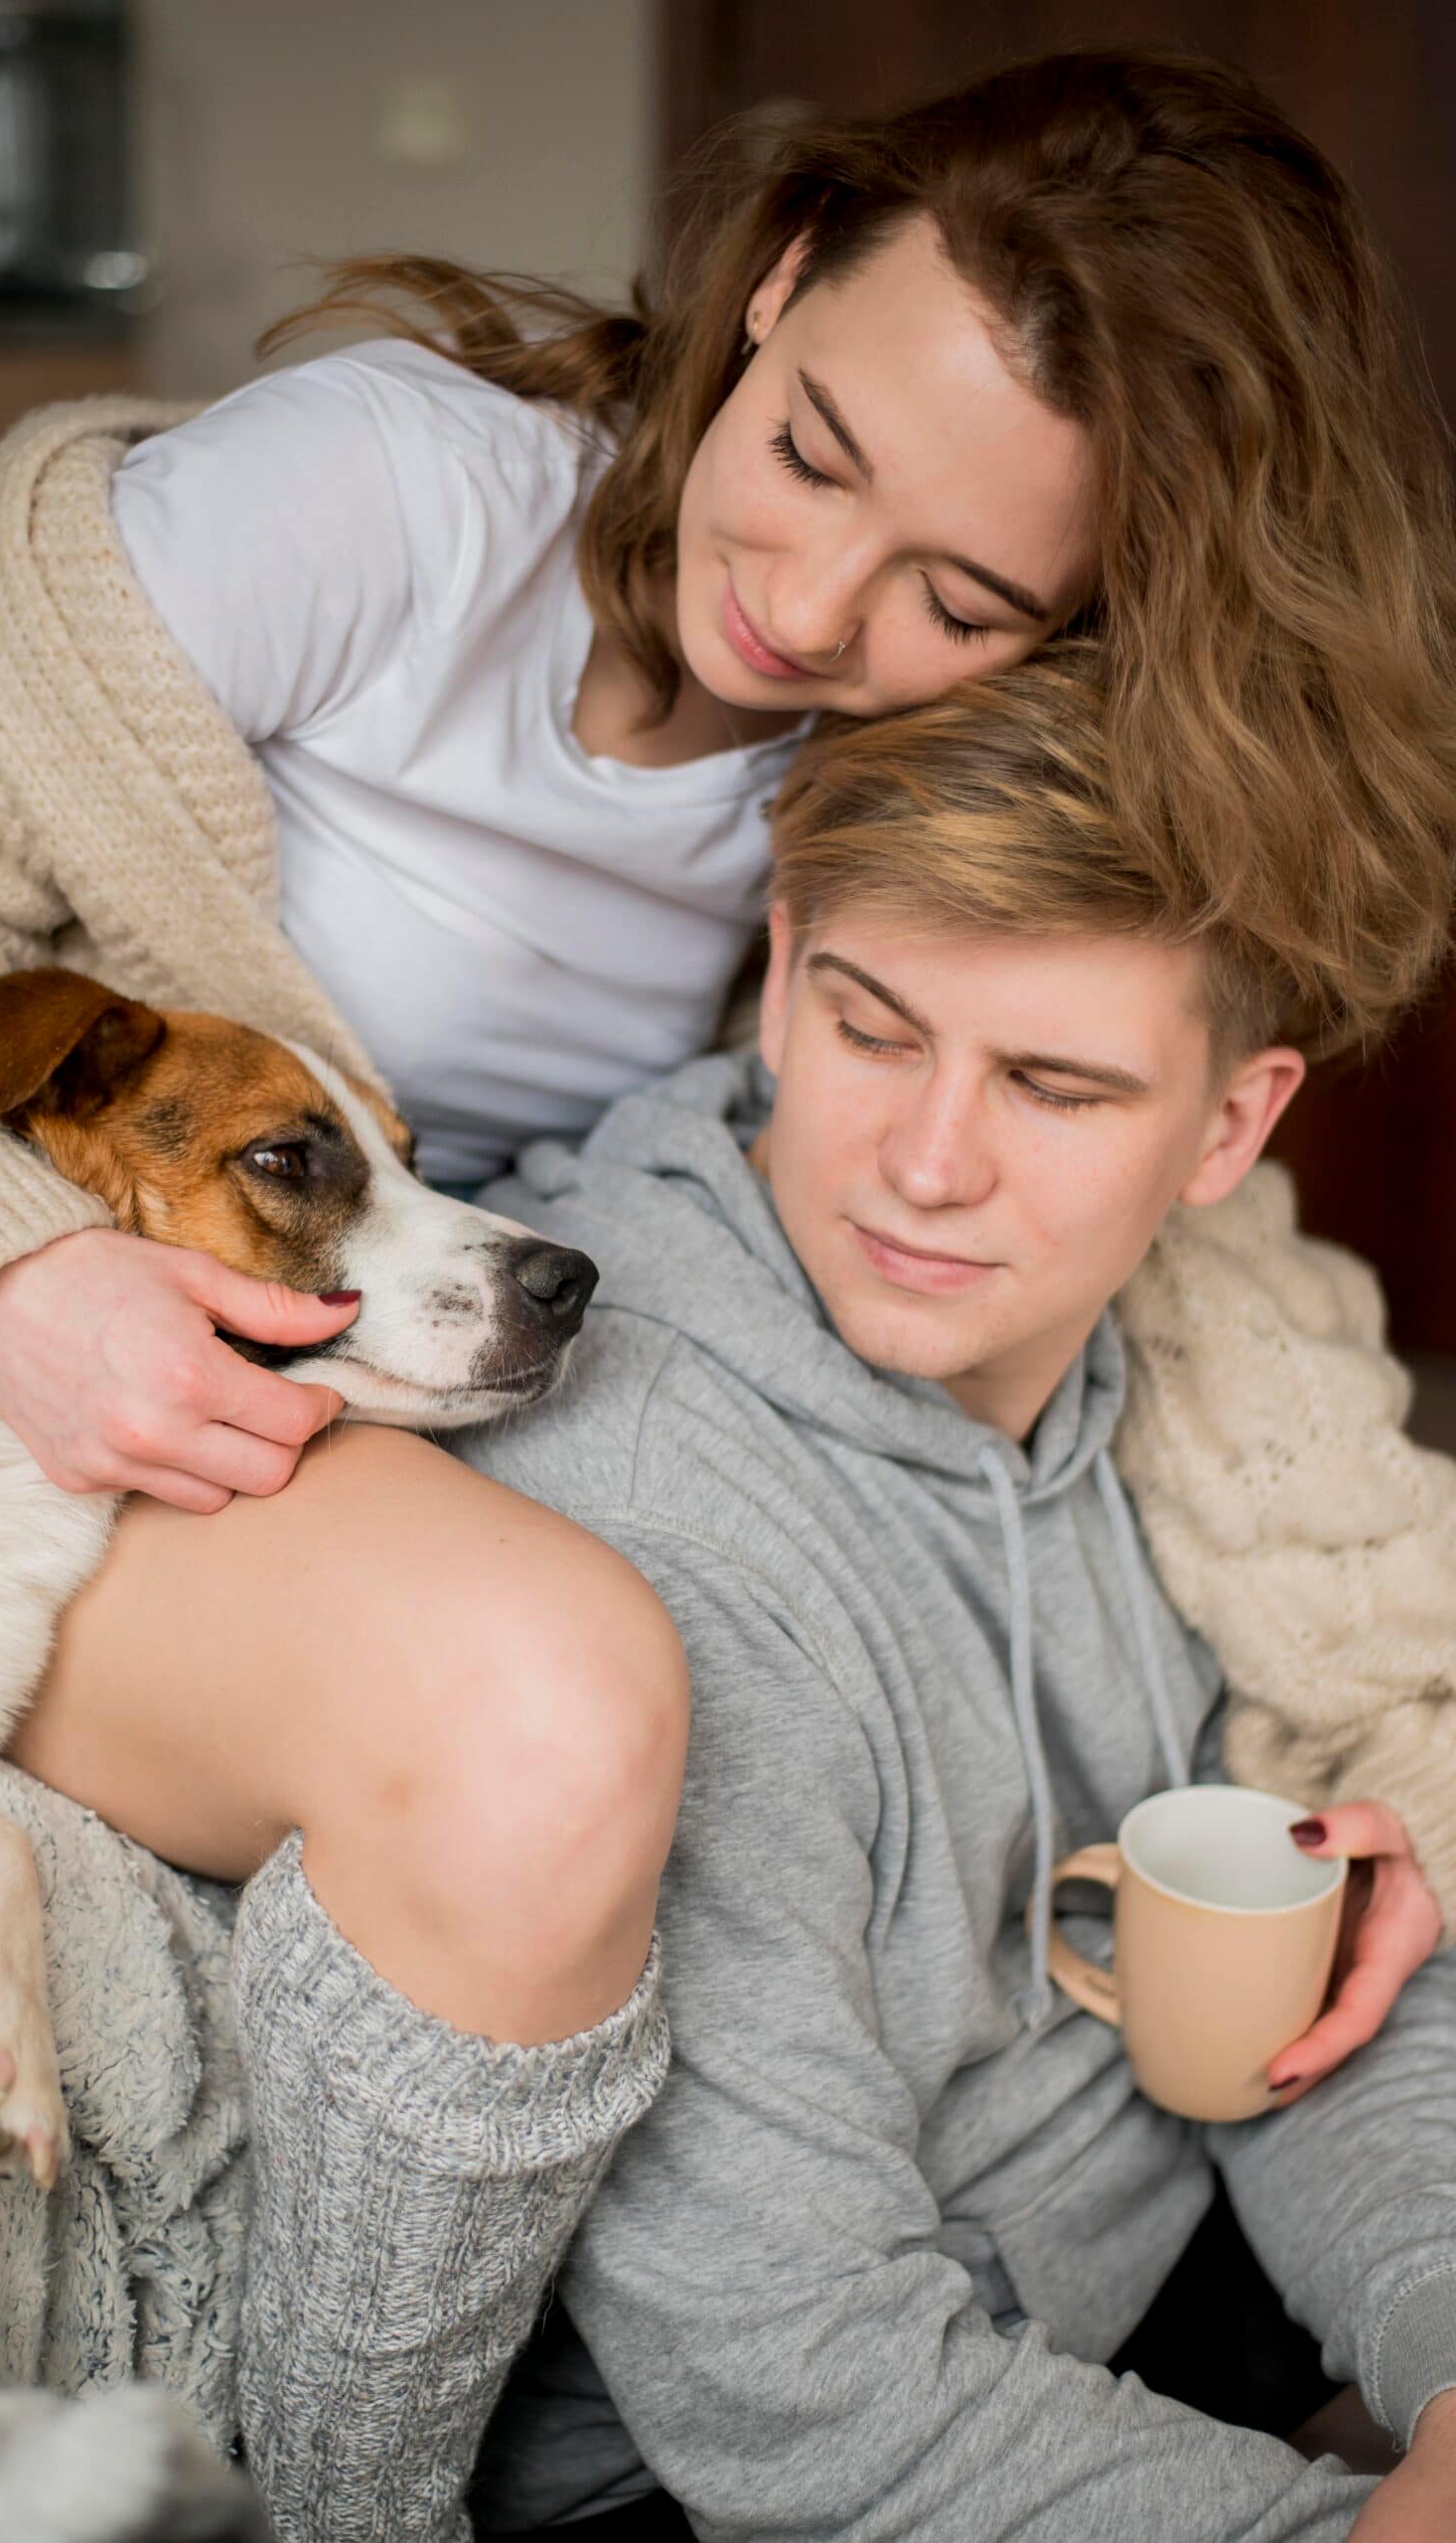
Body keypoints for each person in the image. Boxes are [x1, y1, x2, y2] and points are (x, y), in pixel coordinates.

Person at [0, 46, 1449, 2538]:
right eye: (812, 445)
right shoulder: (386, 504)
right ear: (767, 287)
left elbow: (1187, 1217)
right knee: (551, 1696)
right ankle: (354, 2497)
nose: (809, 600)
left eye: (961, 594)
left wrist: (1403, 1728)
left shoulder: (912, 791)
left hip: (380, 1339)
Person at [454, 645, 1456, 2542]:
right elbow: (799, 2400)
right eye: (872, 1029)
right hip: (745, 2480)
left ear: (1230, 1135)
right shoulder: (640, 1528)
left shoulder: (1195, 1388)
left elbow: (1308, 1981)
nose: (923, 1167)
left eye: (1055, 1088)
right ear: (780, 958)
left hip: (1150, 2274)